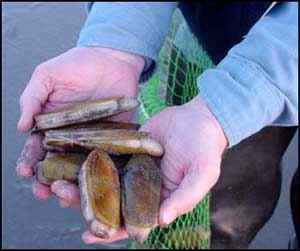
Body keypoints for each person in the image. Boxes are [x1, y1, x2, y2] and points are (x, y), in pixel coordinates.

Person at [16, 2, 298, 248]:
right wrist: (117, 42)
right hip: (215, 45)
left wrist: (232, 101)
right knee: (220, 201)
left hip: (246, 78)